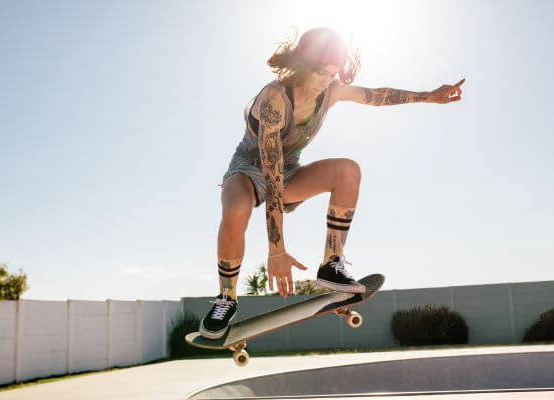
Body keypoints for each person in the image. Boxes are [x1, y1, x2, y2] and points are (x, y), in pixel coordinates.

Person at [199, 27, 465, 339]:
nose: (326, 82)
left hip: (289, 173)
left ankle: (331, 263)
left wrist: (427, 96)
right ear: (301, 66)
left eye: (332, 74)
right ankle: (226, 298)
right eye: (321, 74)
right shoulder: (274, 99)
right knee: (236, 211)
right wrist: (277, 251)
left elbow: (377, 96)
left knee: (348, 171)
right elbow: (270, 181)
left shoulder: (331, 91)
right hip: (247, 169)